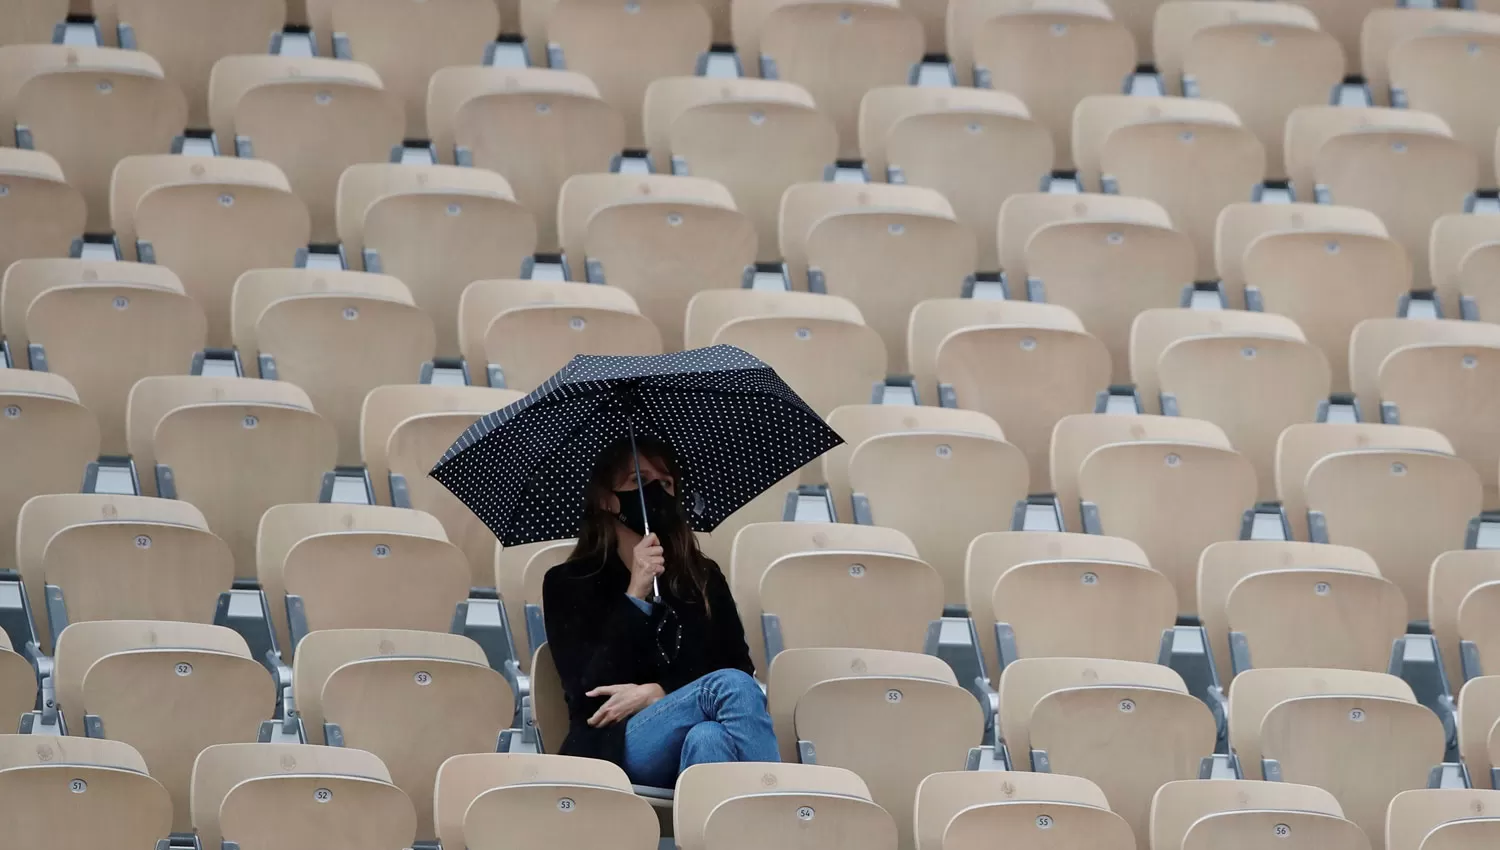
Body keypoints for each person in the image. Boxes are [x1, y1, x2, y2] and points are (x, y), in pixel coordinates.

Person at [542, 435, 779, 787]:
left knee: (709, 738)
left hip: (685, 735)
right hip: (612, 743)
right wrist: (636, 592)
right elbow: (588, 688)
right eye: (638, 481)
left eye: (665, 483)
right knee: (729, 687)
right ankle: (780, 816)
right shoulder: (567, 582)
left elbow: (738, 664)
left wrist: (660, 691)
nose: (655, 491)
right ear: (606, 499)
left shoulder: (702, 576)